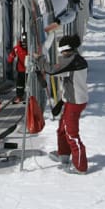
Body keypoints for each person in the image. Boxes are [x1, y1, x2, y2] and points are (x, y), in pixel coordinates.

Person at [43, 35, 90, 171]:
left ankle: (80, 166)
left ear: (67, 50)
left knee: (71, 134)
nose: (61, 55)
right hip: (70, 100)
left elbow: (52, 70)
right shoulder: (74, 59)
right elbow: (61, 74)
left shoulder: (72, 61)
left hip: (75, 102)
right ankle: (63, 154)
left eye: (61, 51)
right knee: (62, 129)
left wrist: (40, 61)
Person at [6, 33, 30, 102]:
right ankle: (19, 96)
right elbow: (12, 54)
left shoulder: (30, 48)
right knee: (20, 84)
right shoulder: (17, 48)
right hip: (21, 69)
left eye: (25, 43)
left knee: (29, 83)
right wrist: (10, 61)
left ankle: (30, 97)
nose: (24, 45)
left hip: (29, 69)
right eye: (23, 43)